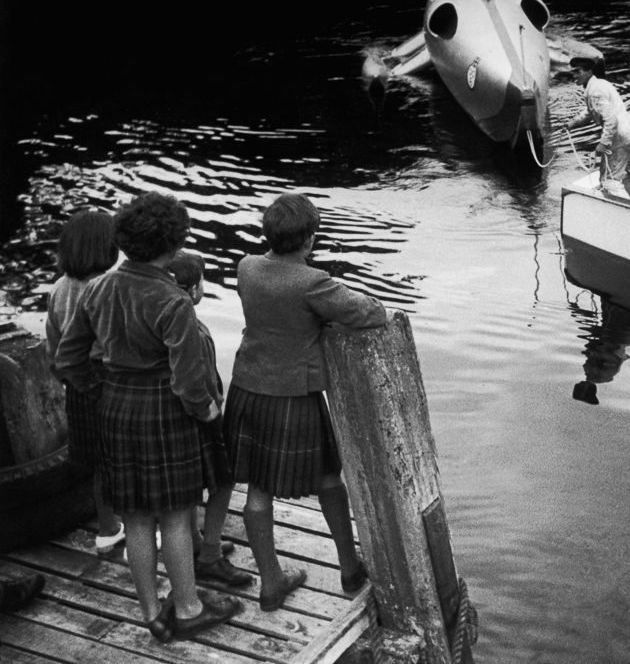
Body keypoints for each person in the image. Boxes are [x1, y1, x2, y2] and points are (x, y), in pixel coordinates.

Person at [56, 192, 241, 643]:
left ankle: (152, 614)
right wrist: (209, 412)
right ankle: (190, 607)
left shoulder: (98, 288)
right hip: (164, 412)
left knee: (136, 517)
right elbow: (188, 381)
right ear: (174, 245)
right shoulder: (173, 301)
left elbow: (69, 358)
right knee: (176, 516)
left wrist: (102, 391)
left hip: (115, 408)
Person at [223, 193, 388, 613]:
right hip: (294, 394)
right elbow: (370, 312)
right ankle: (350, 569)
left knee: (257, 487)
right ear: (310, 239)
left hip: (246, 388)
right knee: (328, 477)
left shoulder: (247, 268)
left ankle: (271, 582)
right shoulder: (312, 281)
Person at [164, 252, 252, 589]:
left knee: (188, 490)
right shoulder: (193, 330)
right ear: (194, 289)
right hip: (201, 417)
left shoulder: (165, 320)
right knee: (222, 481)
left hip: (174, 418)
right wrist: (213, 409)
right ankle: (210, 554)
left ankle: (196, 541)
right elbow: (197, 379)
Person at [44, 209, 124, 556]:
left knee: (98, 462)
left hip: (76, 383)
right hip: (111, 380)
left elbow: (53, 343)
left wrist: (65, 378)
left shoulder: (59, 289)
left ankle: (107, 529)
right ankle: (142, 526)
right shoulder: (111, 287)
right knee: (126, 457)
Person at [566, 56, 630, 206]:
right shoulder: (601, 84)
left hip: (620, 134)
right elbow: (591, 111)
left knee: (609, 180)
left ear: (588, 72)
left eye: (577, 72)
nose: (574, 76)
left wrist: (604, 142)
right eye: (572, 72)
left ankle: (628, 213)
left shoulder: (594, 91)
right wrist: (571, 123)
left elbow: (610, 120)